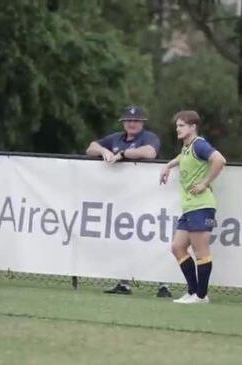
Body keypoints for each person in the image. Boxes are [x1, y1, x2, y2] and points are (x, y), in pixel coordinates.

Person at [86, 105, 172, 298]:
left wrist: (123, 154)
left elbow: (150, 153)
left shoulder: (149, 137)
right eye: (129, 120)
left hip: (148, 197)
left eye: (136, 120)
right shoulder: (116, 138)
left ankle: (163, 284)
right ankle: (124, 284)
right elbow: (90, 147)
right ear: (123, 122)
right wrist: (103, 152)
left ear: (142, 123)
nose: (132, 123)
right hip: (122, 199)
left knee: (153, 240)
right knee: (124, 240)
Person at [159, 110, 226, 304]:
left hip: (202, 205)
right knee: (177, 247)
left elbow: (219, 160)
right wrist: (168, 166)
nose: (177, 129)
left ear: (192, 127)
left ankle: (201, 295)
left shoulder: (200, 145)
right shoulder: (187, 147)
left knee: (201, 251)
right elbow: (181, 157)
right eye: (177, 126)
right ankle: (192, 291)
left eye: (181, 125)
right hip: (189, 207)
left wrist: (205, 182)